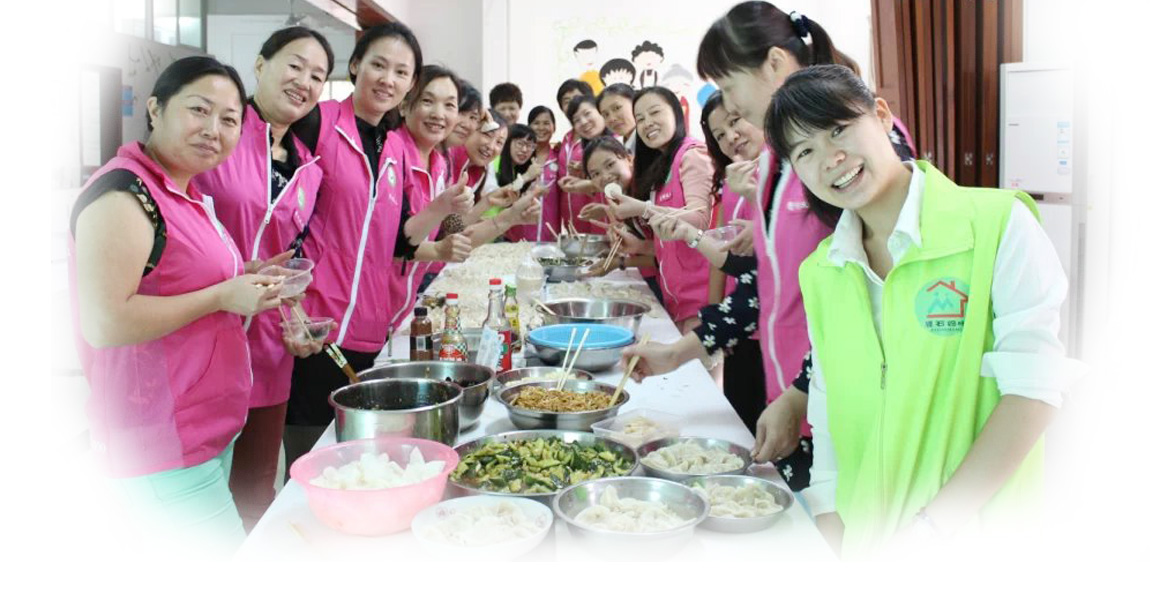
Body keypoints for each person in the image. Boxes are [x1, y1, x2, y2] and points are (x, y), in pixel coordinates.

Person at [767, 64, 1082, 557]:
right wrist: (831, 523)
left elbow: (1033, 394)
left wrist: (931, 532)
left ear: (881, 116)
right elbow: (827, 413)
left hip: (980, 548)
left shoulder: (997, 225)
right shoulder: (823, 270)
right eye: (805, 151)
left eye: (838, 129)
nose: (830, 159)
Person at [623, 1, 918, 492]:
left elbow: (880, 299)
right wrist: (679, 353)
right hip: (803, 398)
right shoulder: (779, 162)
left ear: (775, 63)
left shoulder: (855, 152)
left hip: (859, 402)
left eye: (728, 85)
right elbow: (763, 291)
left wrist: (801, 393)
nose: (729, 105)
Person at [70, 56, 282, 551]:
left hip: (200, 428)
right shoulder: (124, 194)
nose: (213, 130)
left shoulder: (181, 190)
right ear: (155, 108)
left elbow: (173, 277)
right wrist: (222, 295)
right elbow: (105, 321)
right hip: (158, 441)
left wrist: (244, 276)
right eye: (199, 110)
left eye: (229, 119)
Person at [284, 23, 462, 470]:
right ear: (355, 65)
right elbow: (284, 218)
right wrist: (292, 303)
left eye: (401, 72)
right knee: (312, 457)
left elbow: (402, 240)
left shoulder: (398, 148)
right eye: (379, 65)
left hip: (369, 326)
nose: (388, 79)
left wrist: (443, 209)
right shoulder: (318, 123)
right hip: (315, 326)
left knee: (362, 458)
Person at [190, 27, 333, 532]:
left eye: (317, 75)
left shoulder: (308, 168)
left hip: (269, 349)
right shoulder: (220, 136)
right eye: (294, 65)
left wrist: (298, 317)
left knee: (254, 488)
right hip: (203, 338)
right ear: (259, 64)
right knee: (197, 495)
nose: (304, 81)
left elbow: (289, 257)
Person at [596, 86, 714, 332]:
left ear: (677, 112)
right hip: (676, 298)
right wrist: (638, 246)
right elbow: (671, 241)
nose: (647, 123)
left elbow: (700, 219)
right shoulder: (662, 165)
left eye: (655, 112)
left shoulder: (692, 155)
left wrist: (641, 209)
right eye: (640, 118)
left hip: (701, 301)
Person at [387, 65, 475, 334]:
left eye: (449, 105)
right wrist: (438, 250)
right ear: (404, 105)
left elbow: (448, 229)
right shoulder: (391, 153)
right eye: (427, 101)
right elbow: (387, 243)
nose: (439, 114)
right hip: (375, 300)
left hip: (404, 300)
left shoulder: (439, 163)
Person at [558, 94, 609, 234]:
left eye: (587, 114)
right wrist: (581, 181)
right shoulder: (590, 149)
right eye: (576, 120)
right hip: (600, 226)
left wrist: (587, 185)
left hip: (622, 226)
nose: (584, 122)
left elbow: (621, 182)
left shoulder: (618, 142)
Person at [597, 83, 637, 155]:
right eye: (606, 115)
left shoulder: (650, 141)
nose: (612, 119)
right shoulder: (617, 146)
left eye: (617, 108)